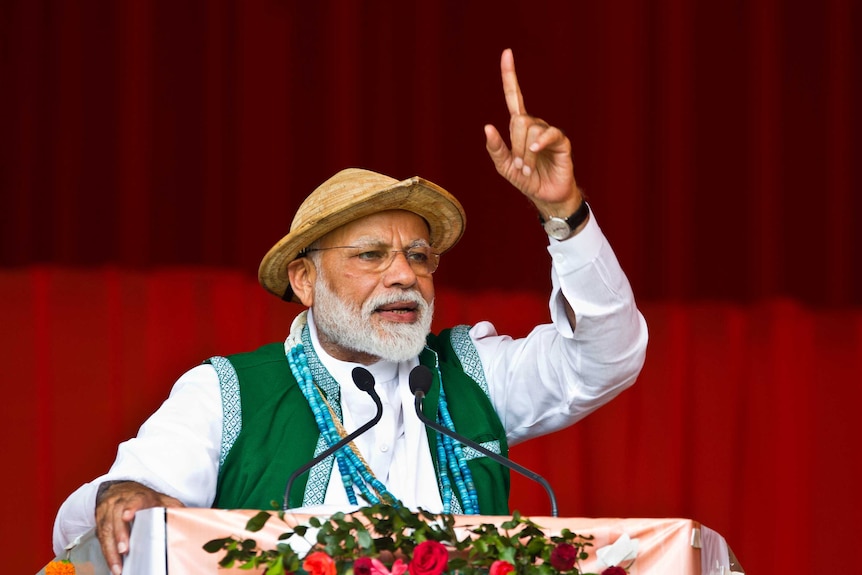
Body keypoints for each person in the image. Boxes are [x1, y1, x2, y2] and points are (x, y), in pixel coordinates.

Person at [52, 48, 648, 575]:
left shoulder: (470, 375)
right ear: (305, 279)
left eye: (419, 256)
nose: (404, 274)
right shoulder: (227, 394)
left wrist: (565, 216)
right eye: (370, 255)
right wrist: (126, 495)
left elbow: (605, 357)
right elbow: (108, 514)